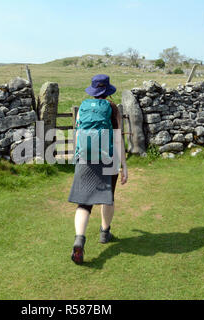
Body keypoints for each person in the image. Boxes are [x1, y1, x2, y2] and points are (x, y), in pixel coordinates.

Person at [68, 74, 128, 265]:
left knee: (83, 203)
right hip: (108, 158)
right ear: (108, 90)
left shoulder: (83, 107)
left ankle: (79, 239)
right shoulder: (112, 108)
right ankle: (104, 233)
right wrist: (124, 166)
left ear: (93, 91)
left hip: (85, 158)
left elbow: (78, 134)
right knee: (107, 197)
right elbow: (118, 139)